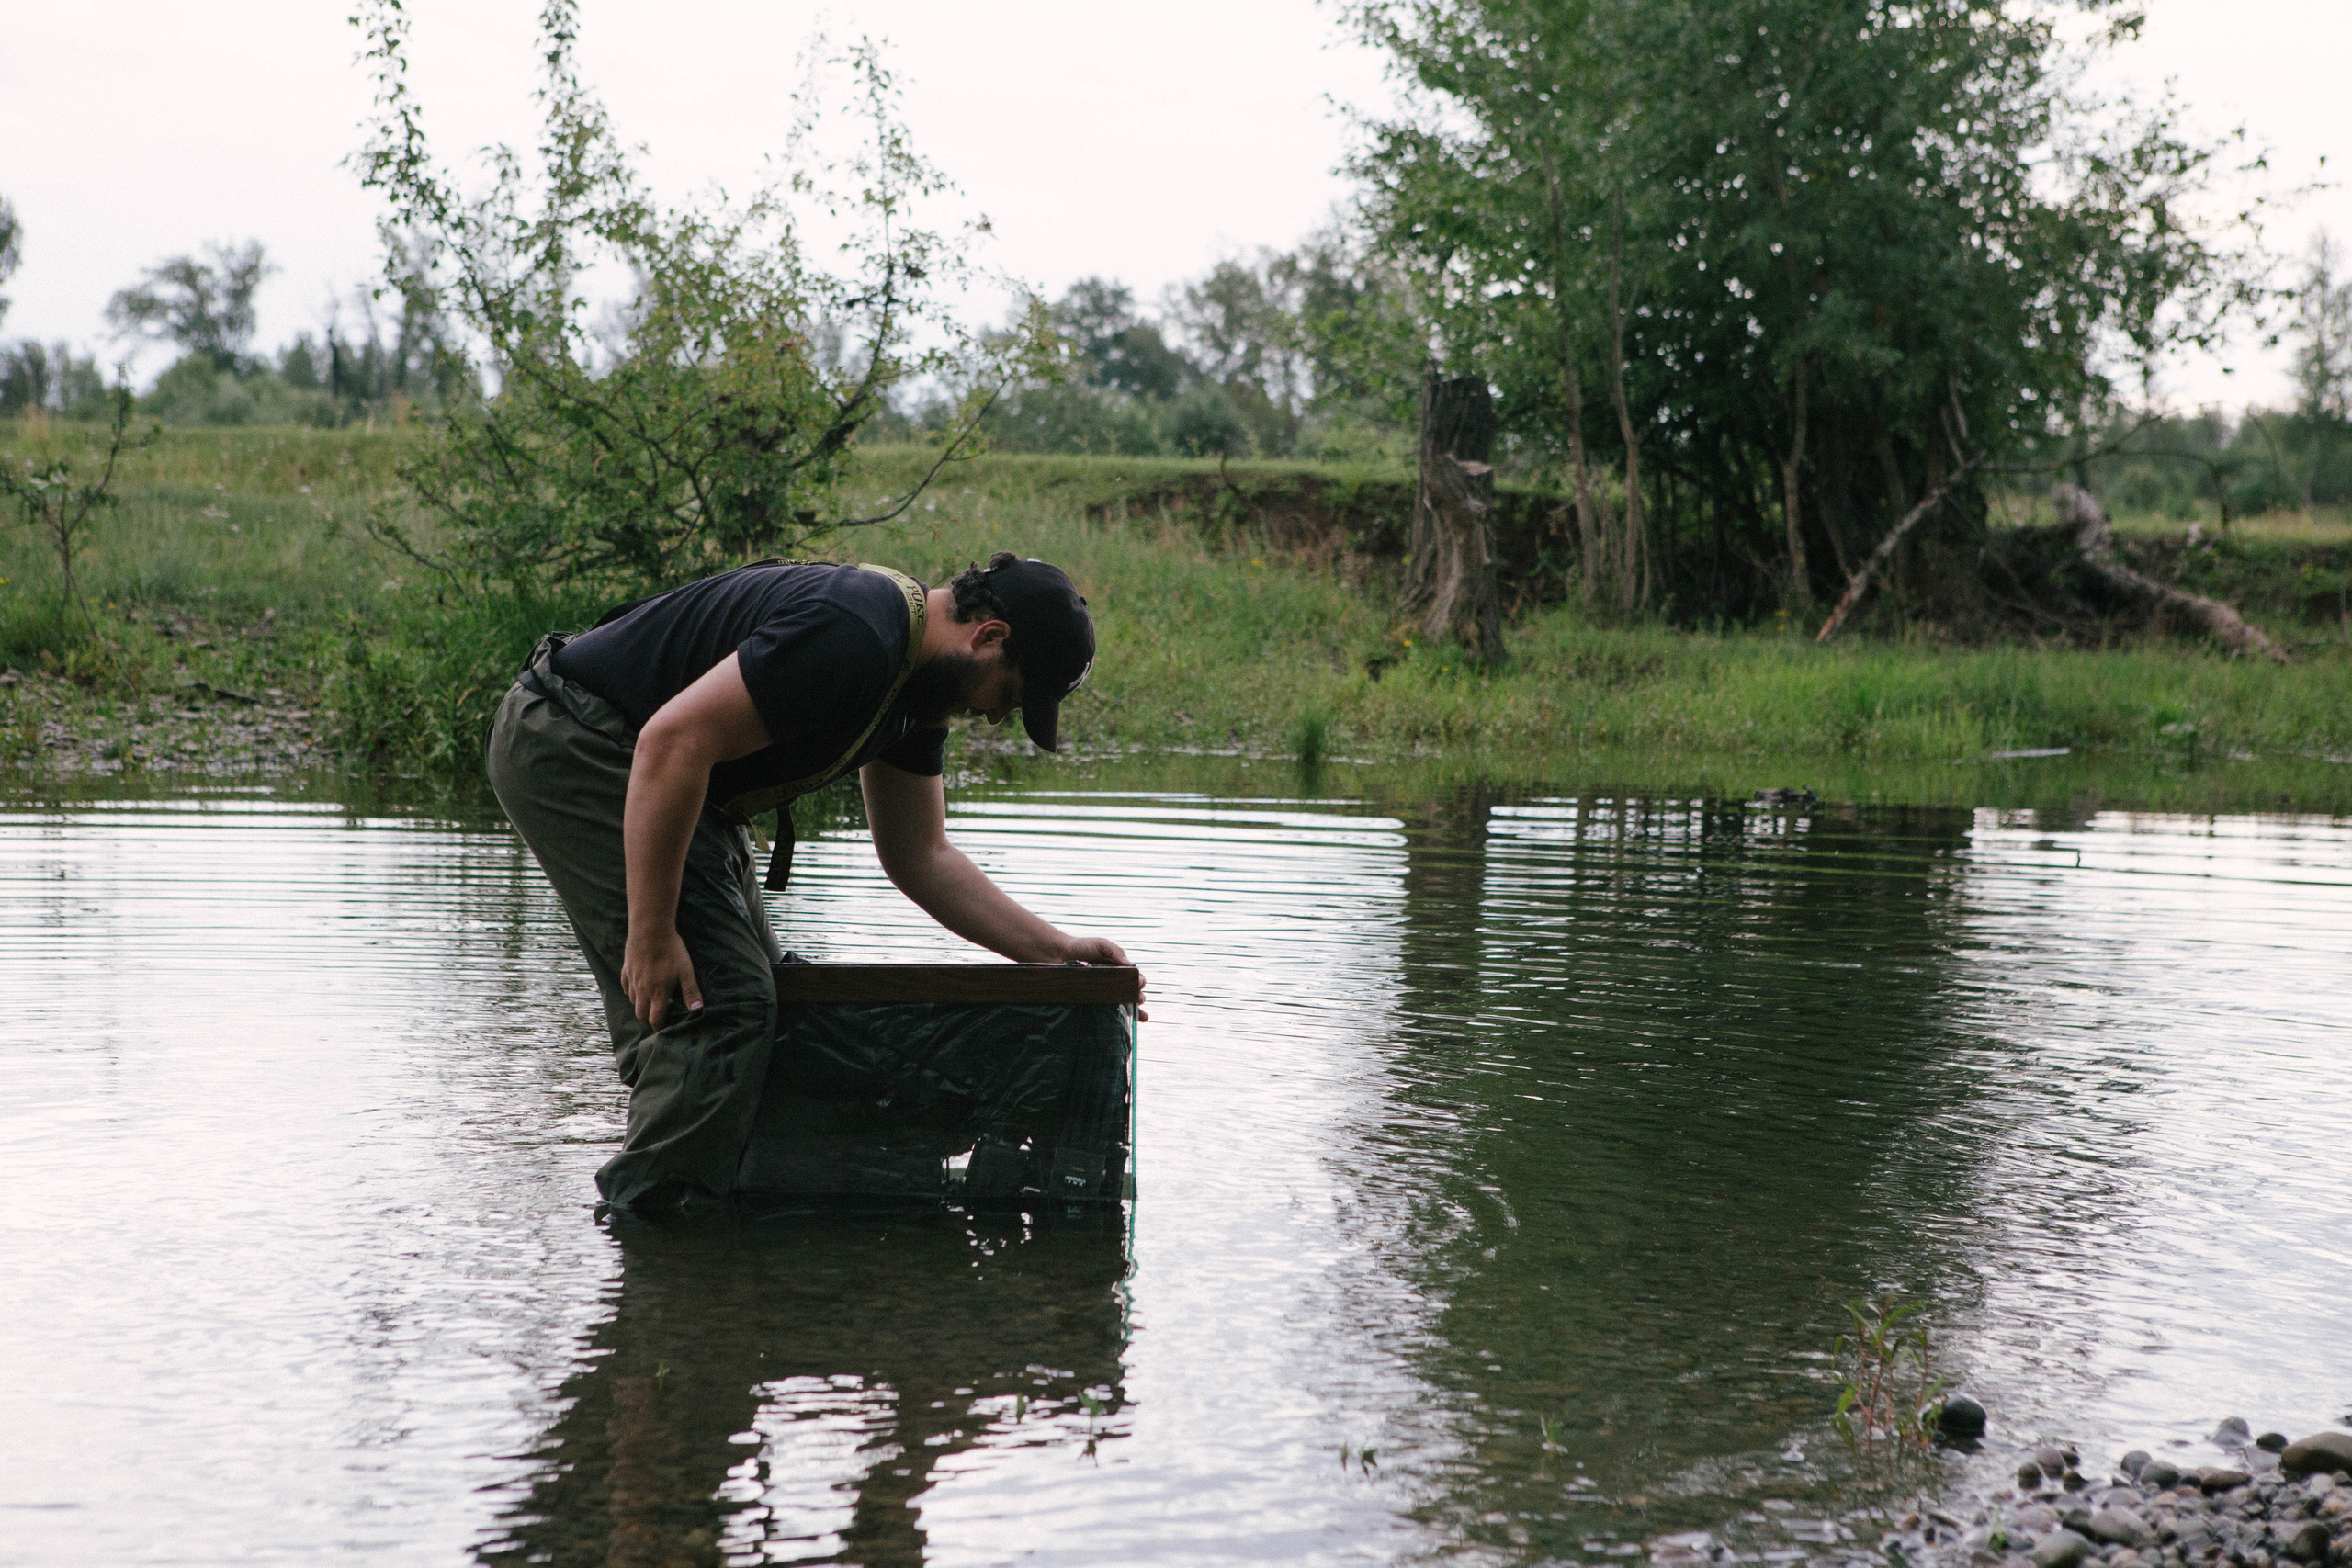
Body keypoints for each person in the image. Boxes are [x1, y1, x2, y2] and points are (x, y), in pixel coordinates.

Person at [485, 551, 1136, 1211]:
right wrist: (651, 937)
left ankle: (726, 1228)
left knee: (772, 1013)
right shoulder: (855, 635)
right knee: (720, 1010)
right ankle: (653, 1247)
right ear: (989, 637)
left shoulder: (916, 689)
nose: (997, 716)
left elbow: (920, 854)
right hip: (573, 741)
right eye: (1011, 694)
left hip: (661, 772)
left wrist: (1057, 953)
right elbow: (672, 742)